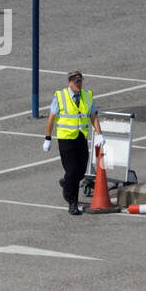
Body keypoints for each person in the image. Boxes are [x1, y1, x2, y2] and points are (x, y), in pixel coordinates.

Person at [42, 70, 103, 215]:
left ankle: (66, 183)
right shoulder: (60, 96)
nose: (79, 84)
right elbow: (51, 118)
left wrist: (100, 134)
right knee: (72, 170)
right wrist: (48, 138)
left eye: (80, 81)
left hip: (81, 137)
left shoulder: (87, 96)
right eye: (76, 82)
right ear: (69, 82)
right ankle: (72, 203)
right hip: (66, 139)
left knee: (81, 171)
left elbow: (93, 116)